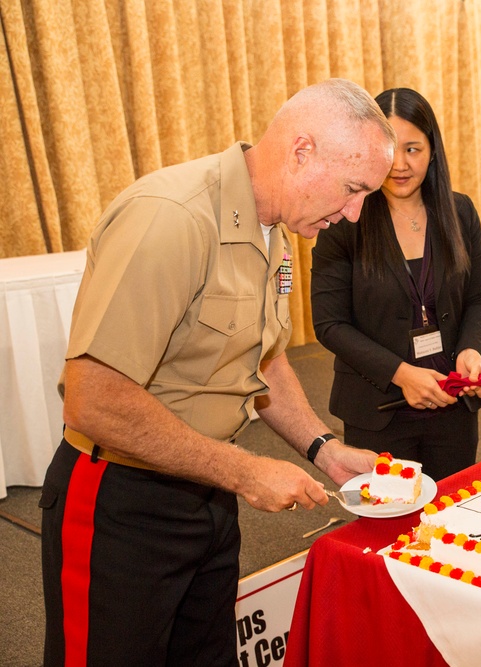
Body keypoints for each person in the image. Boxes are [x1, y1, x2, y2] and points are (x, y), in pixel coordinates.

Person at [40, 78, 395, 666]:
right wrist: (246, 470)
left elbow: (263, 355)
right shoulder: (170, 217)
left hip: (207, 490)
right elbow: (93, 399)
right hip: (119, 502)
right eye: (354, 189)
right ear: (301, 151)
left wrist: (323, 450)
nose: (354, 213)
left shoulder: (275, 230)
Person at [311, 87, 481, 482]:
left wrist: (469, 350)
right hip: (378, 413)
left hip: (452, 405)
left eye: (413, 149)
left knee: (452, 519)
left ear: (433, 151)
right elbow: (329, 323)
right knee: (388, 533)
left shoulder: (459, 211)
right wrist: (401, 373)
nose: (400, 164)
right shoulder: (344, 218)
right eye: (390, 148)